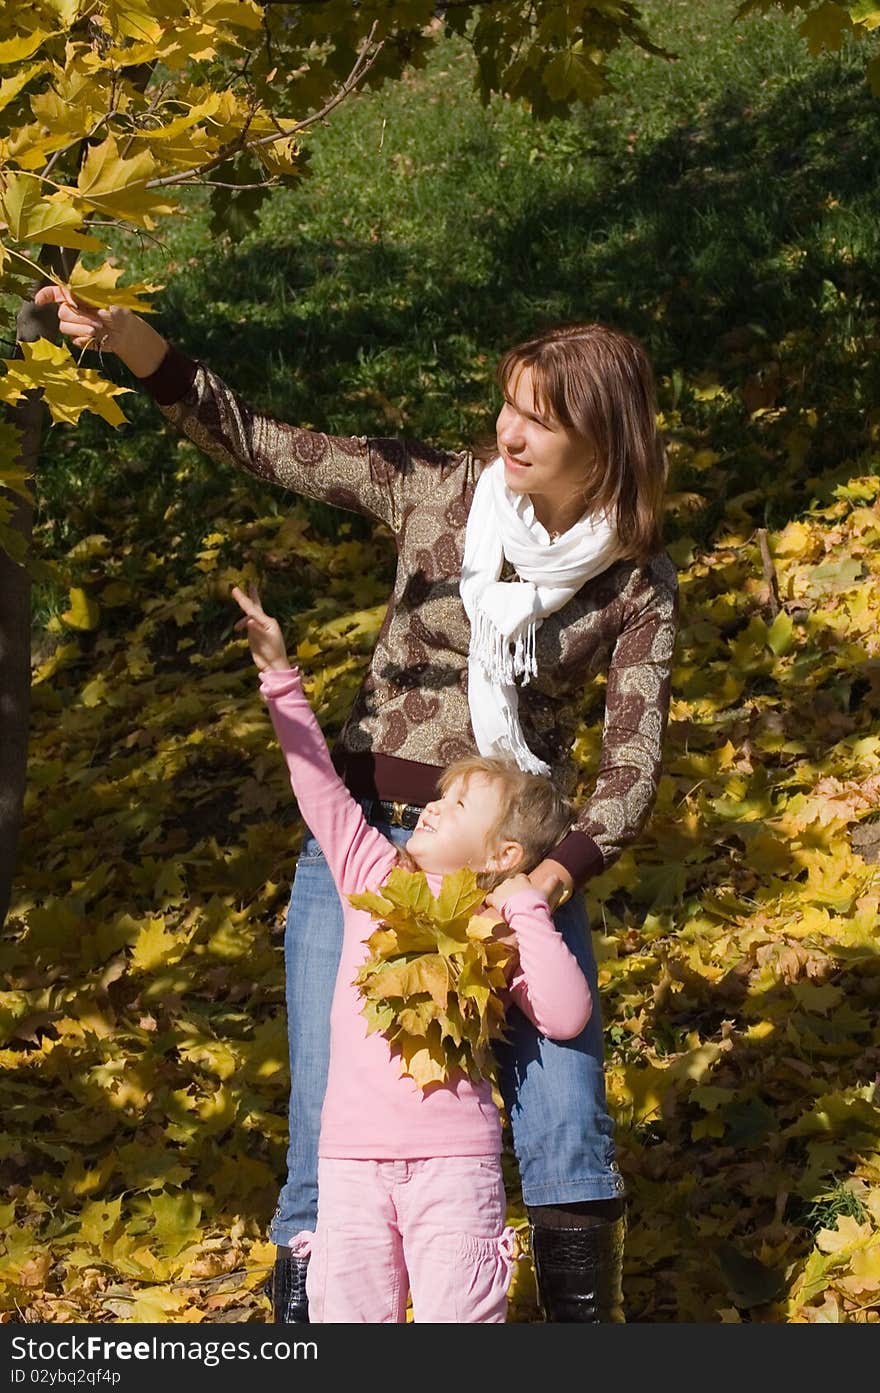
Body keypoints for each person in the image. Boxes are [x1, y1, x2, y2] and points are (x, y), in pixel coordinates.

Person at [37, 284, 679, 1323]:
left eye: (538, 416)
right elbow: (259, 440)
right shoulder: (436, 490)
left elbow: (631, 761)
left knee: (565, 1116)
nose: (508, 429)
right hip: (369, 853)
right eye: (508, 404)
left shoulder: (636, 582)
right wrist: (132, 345)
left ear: (601, 442)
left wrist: (552, 874)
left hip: (510, 863)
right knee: (324, 1130)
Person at [230, 582, 591, 1322]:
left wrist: (524, 900)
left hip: (456, 1168)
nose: (433, 804)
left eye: (459, 805)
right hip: (351, 1164)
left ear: (503, 851)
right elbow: (320, 789)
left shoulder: (498, 919)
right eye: (442, 795)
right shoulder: (370, 874)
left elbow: (563, 1012)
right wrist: (278, 675)